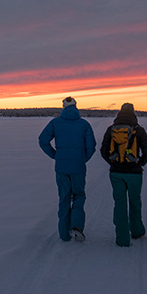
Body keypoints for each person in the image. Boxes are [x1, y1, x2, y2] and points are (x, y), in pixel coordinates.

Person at [39, 97, 96, 242]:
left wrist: (56, 156)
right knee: (78, 195)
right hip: (78, 167)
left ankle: (64, 234)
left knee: (64, 197)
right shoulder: (84, 124)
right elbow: (91, 147)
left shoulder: (55, 123)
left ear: (63, 107)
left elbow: (42, 140)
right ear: (76, 106)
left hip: (61, 167)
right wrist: (82, 159)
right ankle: (76, 226)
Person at [100, 103, 147, 247]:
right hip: (134, 173)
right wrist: (139, 163)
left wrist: (113, 163)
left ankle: (122, 239)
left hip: (116, 173)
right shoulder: (139, 130)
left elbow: (103, 151)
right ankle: (136, 231)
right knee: (135, 201)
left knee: (120, 204)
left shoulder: (111, 130)